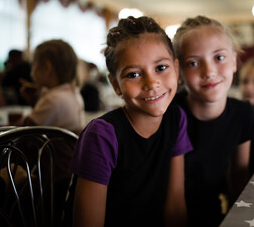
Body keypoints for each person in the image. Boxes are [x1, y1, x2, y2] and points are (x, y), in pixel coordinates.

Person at [69, 16, 193, 227]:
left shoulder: (176, 118)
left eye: (161, 68)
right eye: (133, 74)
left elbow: (175, 207)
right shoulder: (102, 135)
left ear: (176, 68)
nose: (151, 83)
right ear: (115, 84)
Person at [173, 15, 254, 226]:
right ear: (180, 74)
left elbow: (239, 174)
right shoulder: (170, 115)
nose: (209, 72)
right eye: (193, 63)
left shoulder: (243, 113)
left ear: (235, 62)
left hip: (211, 211)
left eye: (219, 58)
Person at [15, 39, 85, 134]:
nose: (31, 73)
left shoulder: (53, 98)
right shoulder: (73, 92)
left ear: (47, 67)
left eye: (34, 65)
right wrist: (32, 100)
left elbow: (21, 129)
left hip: (53, 148)